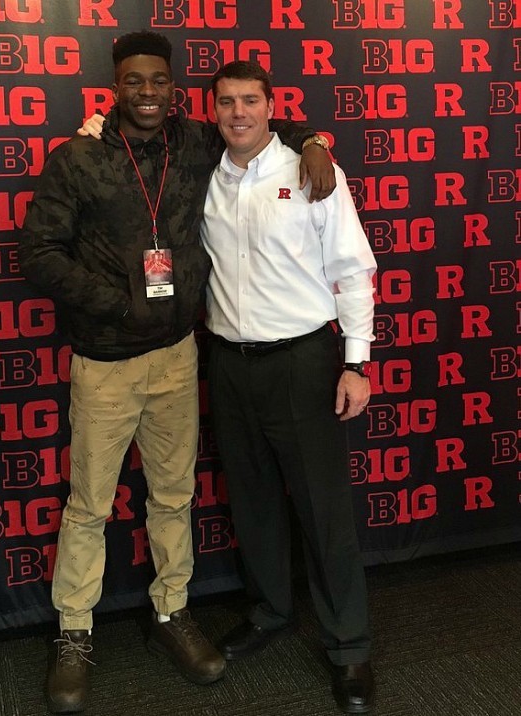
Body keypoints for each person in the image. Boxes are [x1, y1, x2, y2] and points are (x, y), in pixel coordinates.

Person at [19, 32, 335, 714]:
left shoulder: (196, 143)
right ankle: (74, 632)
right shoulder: (77, 157)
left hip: (178, 357)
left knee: (172, 498)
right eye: (135, 82)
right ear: (116, 86)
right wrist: (117, 303)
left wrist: (314, 141)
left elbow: (262, 122)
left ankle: (172, 612)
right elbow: (38, 253)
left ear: (173, 87)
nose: (148, 94)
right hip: (104, 363)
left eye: (159, 82)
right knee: (90, 507)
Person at [200, 61, 377, 714]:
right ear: (212, 109)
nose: (238, 112)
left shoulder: (312, 170)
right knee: (251, 502)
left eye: (250, 100)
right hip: (227, 362)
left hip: (303, 363)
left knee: (323, 511)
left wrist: (355, 362)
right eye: (226, 102)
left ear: (273, 107)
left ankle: (349, 646)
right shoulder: (203, 174)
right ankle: (271, 612)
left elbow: (354, 269)